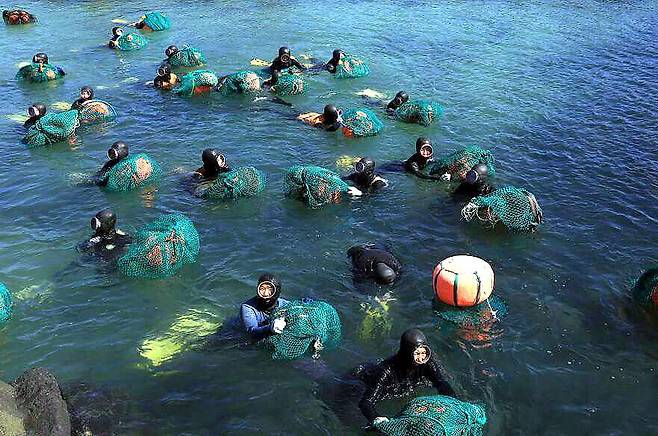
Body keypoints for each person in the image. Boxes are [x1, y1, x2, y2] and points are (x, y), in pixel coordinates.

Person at [357, 329, 455, 426]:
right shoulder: (386, 371)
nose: (421, 358)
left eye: (423, 353)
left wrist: (451, 402)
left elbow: (441, 383)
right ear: (407, 353)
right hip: (363, 378)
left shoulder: (428, 363)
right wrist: (375, 417)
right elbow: (366, 402)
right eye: (417, 354)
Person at [240, 274, 290, 341]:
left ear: (278, 292)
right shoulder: (248, 307)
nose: (266, 294)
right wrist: (270, 328)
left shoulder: (286, 306)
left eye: (270, 289)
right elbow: (251, 331)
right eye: (262, 289)